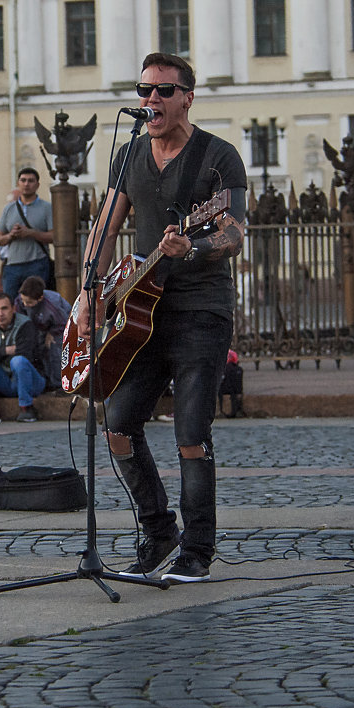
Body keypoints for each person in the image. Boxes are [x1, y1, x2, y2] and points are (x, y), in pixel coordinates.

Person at [75, 52, 246, 583]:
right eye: (144, 89)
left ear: (187, 97)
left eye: (163, 91)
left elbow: (234, 232)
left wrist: (187, 251)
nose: (151, 100)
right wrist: (88, 294)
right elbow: (106, 228)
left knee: (191, 433)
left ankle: (197, 550)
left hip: (201, 311)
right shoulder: (128, 156)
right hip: (141, 313)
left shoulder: (219, 157)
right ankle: (158, 530)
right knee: (119, 424)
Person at [0, 292, 46, 423]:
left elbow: (25, 354)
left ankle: (27, 408)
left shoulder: (25, 324)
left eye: (4, 308)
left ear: (13, 308)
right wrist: (7, 350)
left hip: (31, 381)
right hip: (5, 381)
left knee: (18, 361)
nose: (0, 314)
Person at [0, 168, 53, 299]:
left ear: (37, 185)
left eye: (31, 181)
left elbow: (54, 237)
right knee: (9, 303)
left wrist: (31, 233)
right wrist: (11, 235)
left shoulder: (46, 208)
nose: (26, 184)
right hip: (12, 266)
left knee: (36, 302)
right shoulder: (8, 209)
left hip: (37, 263)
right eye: (23, 180)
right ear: (18, 183)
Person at [14, 275, 71, 390]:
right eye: (23, 300)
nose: (25, 305)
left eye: (29, 302)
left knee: (54, 348)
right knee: (37, 348)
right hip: (37, 325)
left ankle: (58, 383)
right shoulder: (20, 301)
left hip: (59, 326)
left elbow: (63, 322)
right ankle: (43, 378)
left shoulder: (52, 305)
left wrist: (51, 334)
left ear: (40, 298)